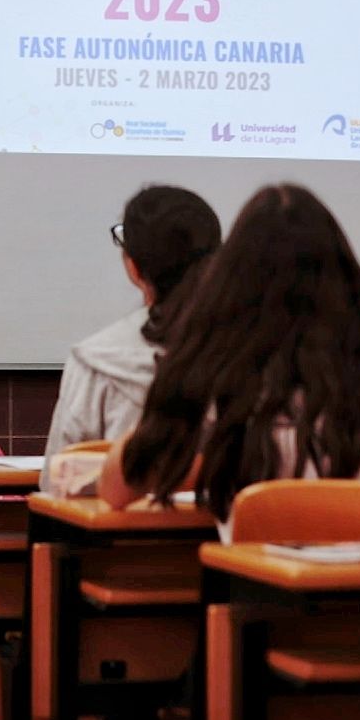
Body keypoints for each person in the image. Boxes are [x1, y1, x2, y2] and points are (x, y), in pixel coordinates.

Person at [97, 184, 360, 540]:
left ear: (229, 278)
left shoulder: (213, 367)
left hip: (274, 605)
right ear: (345, 275)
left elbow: (115, 489)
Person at [41, 185, 221, 492]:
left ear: (134, 267)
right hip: (226, 536)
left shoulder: (95, 358)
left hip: (110, 536)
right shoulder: (253, 352)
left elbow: (56, 482)